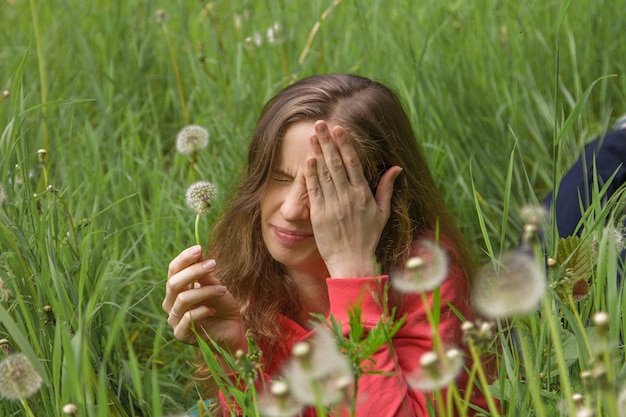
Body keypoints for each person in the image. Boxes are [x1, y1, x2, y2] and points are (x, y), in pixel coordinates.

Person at [162, 74, 491, 416]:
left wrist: (355, 275)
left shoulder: (424, 273)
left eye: (323, 187)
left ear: (381, 195)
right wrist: (238, 353)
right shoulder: (247, 263)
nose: (290, 210)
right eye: (279, 177)